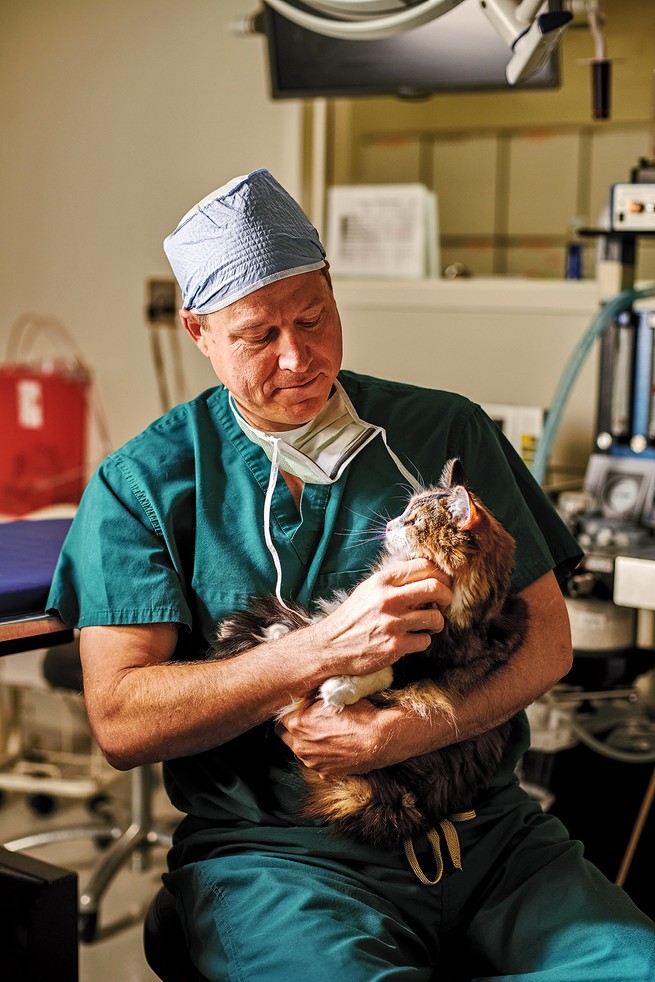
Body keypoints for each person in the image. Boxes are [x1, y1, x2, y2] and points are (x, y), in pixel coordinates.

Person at [47, 169, 655, 981]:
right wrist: (321, 649)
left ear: (333, 291)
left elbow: (546, 642)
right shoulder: (146, 484)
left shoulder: (443, 429)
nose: (298, 358)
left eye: (314, 318)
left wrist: (415, 728)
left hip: (494, 845)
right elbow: (122, 720)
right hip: (284, 863)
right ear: (199, 332)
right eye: (258, 337)